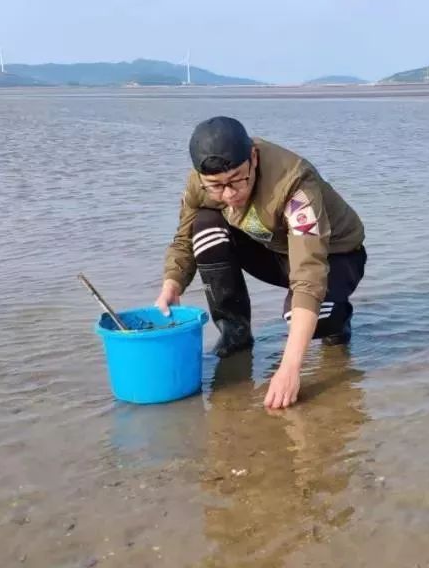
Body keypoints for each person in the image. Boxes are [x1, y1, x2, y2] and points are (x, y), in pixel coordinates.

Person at [155, 116, 367, 409]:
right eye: (216, 186)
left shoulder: (295, 184)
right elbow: (183, 240)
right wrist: (172, 284)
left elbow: (309, 273)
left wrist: (289, 368)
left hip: (335, 255)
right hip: (273, 251)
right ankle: (235, 335)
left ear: (253, 158)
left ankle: (338, 323)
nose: (229, 194)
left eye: (237, 180)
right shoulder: (200, 185)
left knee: (308, 320)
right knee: (205, 226)